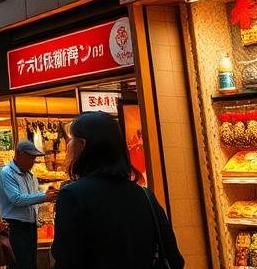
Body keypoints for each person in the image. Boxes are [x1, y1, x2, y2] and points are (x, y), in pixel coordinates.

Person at [52, 112, 185, 269]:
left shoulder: (72, 195)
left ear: (82, 146)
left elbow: (66, 259)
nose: (67, 147)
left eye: (70, 140)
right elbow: (174, 259)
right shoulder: (145, 195)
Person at [0, 140, 57, 269]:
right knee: (19, 263)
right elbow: (17, 199)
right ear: (19, 154)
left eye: (34, 158)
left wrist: (47, 192)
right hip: (14, 225)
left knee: (30, 262)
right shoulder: (7, 173)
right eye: (30, 158)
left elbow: (35, 194)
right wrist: (44, 196)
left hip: (29, 225)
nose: (33, 162)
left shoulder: (30, 175)